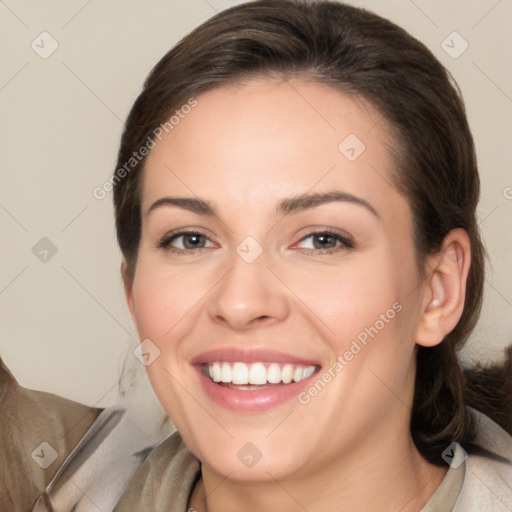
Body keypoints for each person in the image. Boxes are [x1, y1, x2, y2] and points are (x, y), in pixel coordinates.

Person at [108, 1, 511, 510]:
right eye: (191, 239)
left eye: (323, 239)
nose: (240, 302)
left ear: (437, 291)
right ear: (133, 289)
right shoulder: (49, 480)